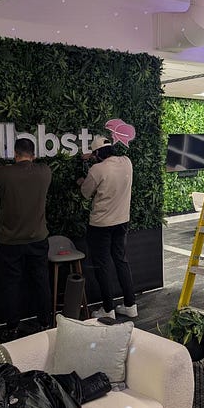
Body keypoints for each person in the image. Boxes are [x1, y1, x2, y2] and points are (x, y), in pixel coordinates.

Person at [0, 138, 53, 341]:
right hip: (38, 237)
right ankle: (45, 323)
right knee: (41, 281)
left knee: (12, 284)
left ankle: (13, 328)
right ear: (33, 155)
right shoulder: (45, 171)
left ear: (15, 154)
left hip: (10, 240)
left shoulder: (1, 173)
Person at [77, 135, 137, 319]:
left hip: (101, 224)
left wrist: (81, 181)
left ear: (97, 154)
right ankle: (130, 305)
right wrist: (93, 155)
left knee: (102, 265)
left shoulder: (97, 169)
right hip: (122, 221)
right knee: (121, 261)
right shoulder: (126, 162)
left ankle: (108, 309)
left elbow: (85, 192)